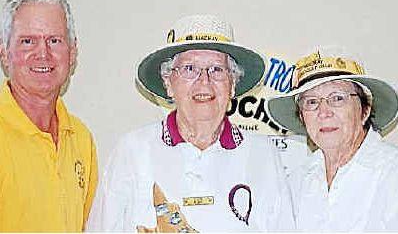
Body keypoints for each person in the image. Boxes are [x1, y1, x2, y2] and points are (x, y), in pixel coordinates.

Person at [87, 15, 296, 232]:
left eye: (216, 69)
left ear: (232, 83)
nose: (204, 81)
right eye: (189, 69)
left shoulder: (262, 154)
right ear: (168, 82)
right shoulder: (132, 151)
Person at [266, 49, 398, 231]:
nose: (324, 112)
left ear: (365, 110)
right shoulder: (296, 182)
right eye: (312, 102)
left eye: (337, 98)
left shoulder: (392, 173)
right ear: (302, 117)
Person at [0, 0, 98, 232]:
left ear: (72, 52)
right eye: (27, 41)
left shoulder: (80, 137)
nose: (42, 53)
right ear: (4, 53)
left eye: (54, 40)